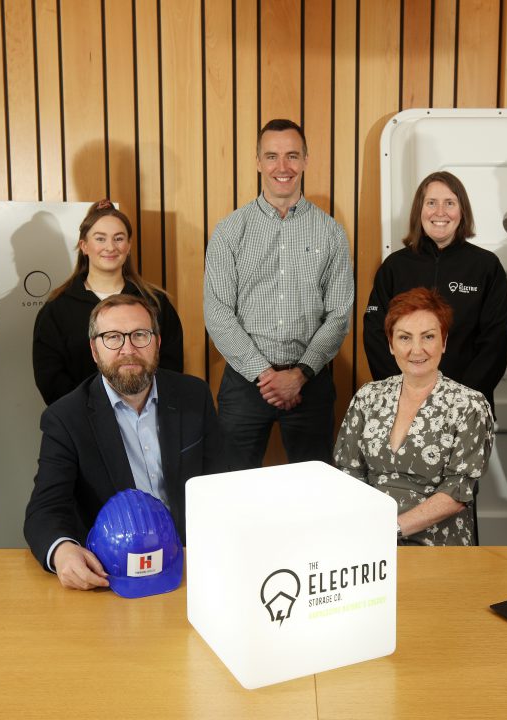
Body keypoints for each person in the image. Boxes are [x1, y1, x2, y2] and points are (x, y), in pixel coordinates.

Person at [24, 294, 228, 590]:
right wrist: (62, 551)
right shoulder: (66, 418)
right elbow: (44, 510)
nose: (128, 349)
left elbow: (221, 481)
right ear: (94, 350)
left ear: (157, 342)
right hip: (112, 571)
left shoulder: (194, 396)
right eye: (113, 338)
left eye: (140, 335)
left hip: (190, 561)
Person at [204, 118, 353, 469]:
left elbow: (339, 314)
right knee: (232, 486)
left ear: (305, 160)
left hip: (310, 383)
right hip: (245, 382)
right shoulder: (229, 231)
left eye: (292, 156)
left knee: (315, 487)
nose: (282, 167)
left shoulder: (331, 233)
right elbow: (218, 313)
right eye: (272, 156)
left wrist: (299, 375)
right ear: (258, 162)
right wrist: (266, 375)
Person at [335, 288, 494, 546]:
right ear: (391, 344)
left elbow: (458, 491)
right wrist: (365, 533)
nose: (416, 350)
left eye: (428, 337)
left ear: (444, 342)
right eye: (405, 338)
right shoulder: (367, 397)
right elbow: (348, 475)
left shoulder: (469, 405)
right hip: (368, 538)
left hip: (436, 545)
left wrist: (391, 530)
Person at [364, 171, 507, 414]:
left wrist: (461, 399)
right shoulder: (394, 267)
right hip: (403, 404)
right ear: (419, 211)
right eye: (431, 203)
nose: (440, 212)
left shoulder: (486, 266)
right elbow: (376, 334)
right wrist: (403, 392)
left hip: (467, 405)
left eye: (449, 203)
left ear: (462, 211)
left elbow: (495, 342)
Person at [32, 199, 183, 405]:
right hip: (81, 417)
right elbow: (49, 376)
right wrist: (86, 412)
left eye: (118, 238)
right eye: (100, 239)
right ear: (84, 246)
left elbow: (171, 366)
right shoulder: (57, 309)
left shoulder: (156, 302)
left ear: (129, 246)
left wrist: (140, 406)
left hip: (147, 412)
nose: (110, 247)